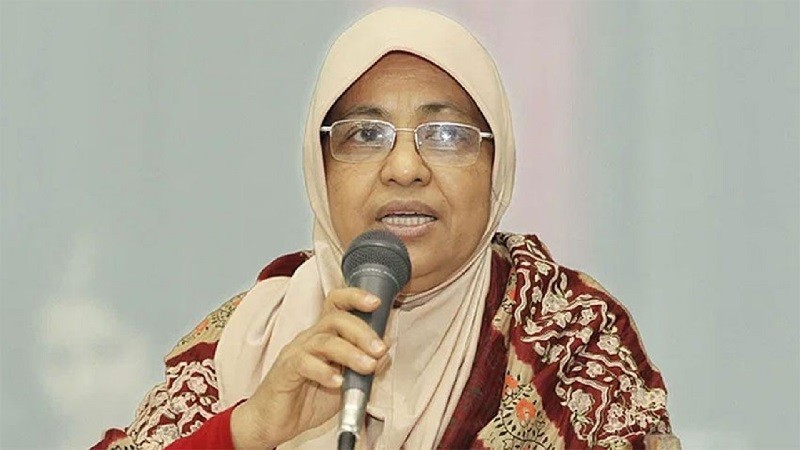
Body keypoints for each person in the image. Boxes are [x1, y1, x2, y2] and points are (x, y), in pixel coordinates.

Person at [93, 7, 679, 450]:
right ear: (319, 170)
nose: (404, 168)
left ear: (495, 168)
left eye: (446, 135)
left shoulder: (570, 337)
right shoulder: (244, 343)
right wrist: (250, 429)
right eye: (365, 134)